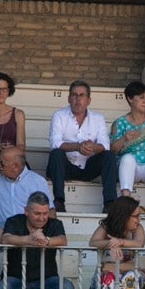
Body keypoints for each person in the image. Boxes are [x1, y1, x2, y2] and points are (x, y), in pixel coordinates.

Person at [2, 194, 74, 289]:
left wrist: (46, 240)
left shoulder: (55, 224)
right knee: (3, 286)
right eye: (37, 213)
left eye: (45, 213)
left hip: (47, 279)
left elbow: (62, 240)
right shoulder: (14, 221)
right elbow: (6, 238)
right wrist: (27, 239)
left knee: (66, 287)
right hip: (16, 279)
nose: (41, 218)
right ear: (26, 211)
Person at [46, 83, 116, 213]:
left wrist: (93, 147)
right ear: (68, 98)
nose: (77, 99)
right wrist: (78, 146)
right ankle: (59, 201)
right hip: (65, 167)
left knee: (109, 156)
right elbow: (55, 143)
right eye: (74, 95)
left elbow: (105, 145)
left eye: (82, 95)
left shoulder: (98, 118)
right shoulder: (59, 115)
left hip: (89, 167)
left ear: (89, 100)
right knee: (56, 153)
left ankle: (110, 203)